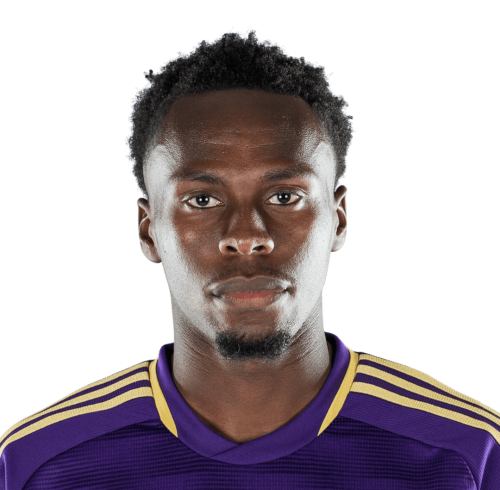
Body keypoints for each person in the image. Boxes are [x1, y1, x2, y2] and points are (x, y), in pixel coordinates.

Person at [1, 28, 498, 489]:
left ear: (338, 220)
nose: (246, 236)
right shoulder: (36, 463)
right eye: (202, 200)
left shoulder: (472, 452)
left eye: (284, 197)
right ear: (148, 231)